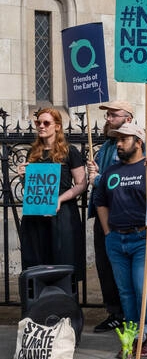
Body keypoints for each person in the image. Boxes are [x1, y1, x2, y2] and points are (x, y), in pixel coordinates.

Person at [93, 122, 147, 359]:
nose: (119, 144)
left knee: (143, 286)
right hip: (117, 238)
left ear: (139, 142)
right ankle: (134, 335)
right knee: (125, 291)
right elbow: (100, 200)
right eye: (117, 140)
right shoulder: (111, 172)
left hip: (145, 238)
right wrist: (108, 232)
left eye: (124, 139)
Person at [19, 108, 87, 282]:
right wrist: (22, 177)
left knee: (62, 262)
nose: (41, 126)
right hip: (35, 216)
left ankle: (64, 305)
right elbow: (31, 189)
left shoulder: (70, 151)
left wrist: (60, 199)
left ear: (57, 126)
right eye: (38, 123)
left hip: (61, 214)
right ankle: (40, 307)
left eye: (46, 123)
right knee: (37, 263)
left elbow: (81, 184)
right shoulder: (32, 153)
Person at [87, 101, 134, 333]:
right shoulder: (106, 146)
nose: (108, 119)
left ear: (127, 119)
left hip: (119, 213)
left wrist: (96, 178)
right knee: (105, 265)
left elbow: (119, 180)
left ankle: (127, 313)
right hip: (101, 211)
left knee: (120, 266)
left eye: (113, 115)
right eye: (107, 115)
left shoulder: (126, 146)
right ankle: (114, 312)